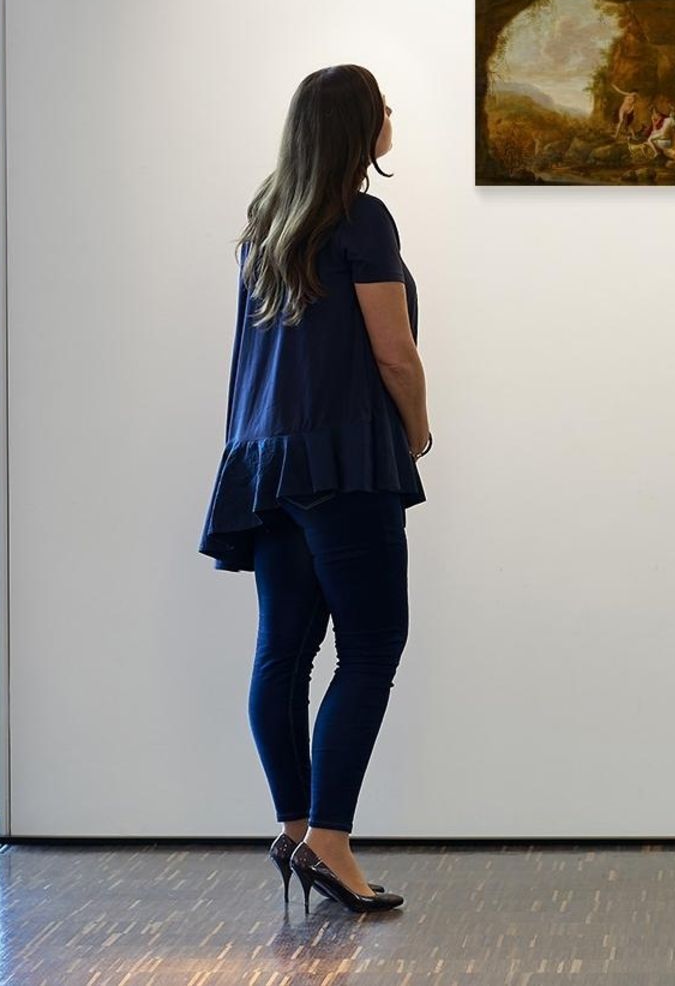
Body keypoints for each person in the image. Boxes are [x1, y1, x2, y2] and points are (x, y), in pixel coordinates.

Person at [197, 63, 431, 915]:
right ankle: (331, 839)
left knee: (283, 651)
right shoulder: (361, 219)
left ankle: (296, 827)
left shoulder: (269, 221)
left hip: (266, 460)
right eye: (382, 108)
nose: (392, 117)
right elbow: (393, 352)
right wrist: (418, 428)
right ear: (356, 129)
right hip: (342, 458)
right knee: (372, 646)